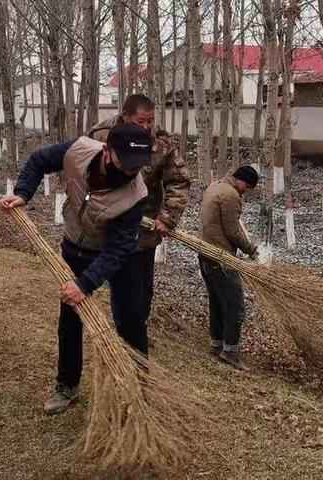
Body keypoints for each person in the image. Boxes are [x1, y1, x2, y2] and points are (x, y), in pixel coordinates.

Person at [0, 123, 152, 415]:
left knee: (132, 321)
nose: (132, 171)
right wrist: (23, 193)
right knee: (69, 320)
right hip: (75, 247)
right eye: (127, 163)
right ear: (107, 150)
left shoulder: (135, 194)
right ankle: (67, 385)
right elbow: (38, 161)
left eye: (138, 166)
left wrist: (85, 284)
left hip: (119, 257)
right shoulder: (78, 151)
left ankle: (139, 390)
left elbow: (117, 250)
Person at [87, 94, 190, 321]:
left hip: (144, 228)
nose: (146, 127)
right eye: (140, 121)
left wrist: (167, 217)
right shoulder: (100, 135)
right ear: (125, 117)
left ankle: (138, 327)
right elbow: (84, 171)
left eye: (150, 121)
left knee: (143, 289)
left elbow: (179, 181)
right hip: (110, 224)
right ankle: (124, 332)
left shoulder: (160, 144)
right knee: (121, 285)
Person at [198, 166, 260, 370]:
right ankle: (231, 351)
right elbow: (233, 231)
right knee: (234, 305)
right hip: (221, 257)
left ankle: (216, 345)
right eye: (248, 187)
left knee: (217, 301)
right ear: (241, 181)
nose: (247, 191)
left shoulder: (214, 186)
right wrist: (251, 250)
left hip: (205, 253)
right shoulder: (231, 195)